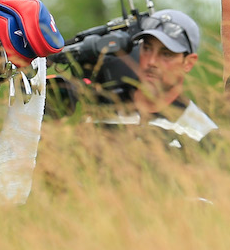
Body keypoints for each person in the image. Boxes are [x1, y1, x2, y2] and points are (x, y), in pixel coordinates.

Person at [88, 9, 217, 148]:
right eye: (147, 49)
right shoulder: (101, 109)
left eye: (166, 54)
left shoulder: (202, 133)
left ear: (189, 63)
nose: (152, 61)